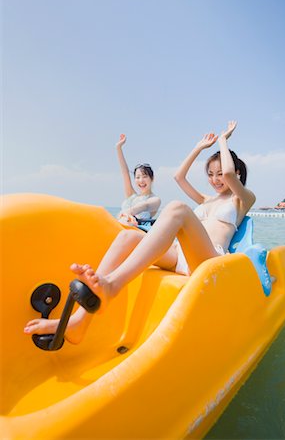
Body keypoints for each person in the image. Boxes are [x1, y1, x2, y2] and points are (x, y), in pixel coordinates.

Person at [24, 121, 255, 344]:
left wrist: (223, 141)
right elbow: (179, 177)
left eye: (219, 173)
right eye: (210, 174)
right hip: (179, 255)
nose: (216, 179)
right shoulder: (206, 199)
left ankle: (112, 285)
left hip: (207, 259)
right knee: (128, 236)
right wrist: (199, 147)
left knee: (177, 209)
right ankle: (78, 322)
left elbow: (227, 174)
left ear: (236, 172)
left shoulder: (243, 199)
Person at [116, 134, 161, 226]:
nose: (141, 180)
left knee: (125, 222)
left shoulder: (155, 200)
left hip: (137, 231)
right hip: (121, 226)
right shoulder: (131, 196)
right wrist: (118, 148)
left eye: (145, 176)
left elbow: (145, 206)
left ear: (152, 178)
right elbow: (125, 172)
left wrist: (128, 213)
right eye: (137, 177)